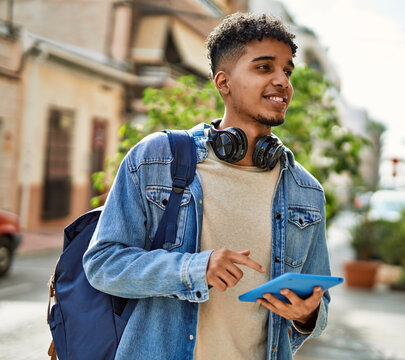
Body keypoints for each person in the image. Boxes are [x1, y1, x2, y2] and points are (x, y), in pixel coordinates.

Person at [83, 13, 331, 360]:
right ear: (223, 82)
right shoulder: (157, 159)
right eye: (264, 68)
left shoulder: (306, 190)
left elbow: (320, 307)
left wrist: (306, 315)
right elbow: (103, 263)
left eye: (287, 71)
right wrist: (193, 269)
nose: (282, 81)